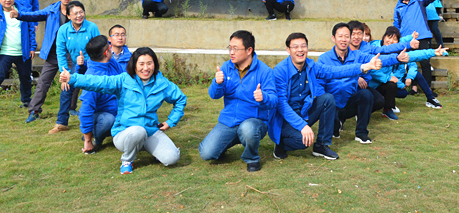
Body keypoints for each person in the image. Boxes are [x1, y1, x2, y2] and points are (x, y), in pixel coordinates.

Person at [59, 47, 187, 175]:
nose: (146, 68)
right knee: (138, 131)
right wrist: (73, 78)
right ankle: (127, 161)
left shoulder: (162, 83)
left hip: (150, 131)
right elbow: (98, 82)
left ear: (155, 64)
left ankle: (146, 147)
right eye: (141, 64)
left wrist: (171, 121)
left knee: (172, 158)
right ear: (134, 65)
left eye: (149, 63)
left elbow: (181, 99)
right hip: (125, 133)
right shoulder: (124, 80)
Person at [269, 32, 383, 161]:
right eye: (295, 47)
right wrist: (302, 126)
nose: (300, 50)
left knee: (327, 99)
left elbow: (335, 71)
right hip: (285, 118)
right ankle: (280, 144)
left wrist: (364, 67)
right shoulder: (280, 71)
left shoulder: (311, 66)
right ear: (288, 50)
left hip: (304, 111)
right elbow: (281, 105)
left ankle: (321, 146)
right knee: (302, 142)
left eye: (303, 46)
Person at [198, 30, 277, 172]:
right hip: (229, 121)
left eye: (235, 48)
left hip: (253, 122)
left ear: (249, 50)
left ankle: (252, 159)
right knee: (206, 153)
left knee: (247, 129)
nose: (231, 52)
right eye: (230, 48)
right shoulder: (226, 67)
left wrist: (263, 97)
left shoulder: (264, 71)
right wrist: (217, 83)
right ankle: (231, 140)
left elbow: (274, 100)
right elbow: (214, 95)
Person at [317, 23, 405, 142]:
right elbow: (319, 84)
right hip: (333, 104)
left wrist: (396, 58)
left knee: (366, 94)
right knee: (333, 128)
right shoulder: (324, 58)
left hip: (349, 102)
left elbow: (380, 59)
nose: (344, 40)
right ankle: (335, 123)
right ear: (333, 38)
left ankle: (361, 133)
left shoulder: (357, 55)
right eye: (340, 36)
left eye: (346, 36)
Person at [16, 0, 74, 123]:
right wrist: (19, 15)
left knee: (73, 80)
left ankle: (71, 108)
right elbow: (34, 15)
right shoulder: (52, 10)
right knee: (43, 82)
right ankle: (34, 110)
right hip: (53, 53)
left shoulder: (76, 11)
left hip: (70, 52)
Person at [368, 27, 449, 116]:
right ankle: (382, 104)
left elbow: (413, 56)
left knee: (403, 89)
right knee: (386, 91)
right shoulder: (375, 49)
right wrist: (400, 84)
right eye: (389, 37)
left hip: (391, 80)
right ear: (383, 37)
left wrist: (433, 52)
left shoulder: (397, 51)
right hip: (376, 82)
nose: (391, 41)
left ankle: (430, 99)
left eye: (394, 39)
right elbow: (376, 73)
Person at [46, 1, 100, 134]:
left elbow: (99, 48)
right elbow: (61, 52)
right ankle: (61, 122)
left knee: (94, 91)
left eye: (81, 12)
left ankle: (97, 122)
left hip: (92, 63)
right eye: (75, 13)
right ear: (68, 16)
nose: (79, 15)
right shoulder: (63, 30)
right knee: (66, 87)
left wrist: (87, 60)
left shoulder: (92, 27)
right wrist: (64, 72)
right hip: (76, 64)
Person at [394, 0, 459, 87]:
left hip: (422, 37)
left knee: (425, 63)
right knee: (410, 63)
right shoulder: (398, 7)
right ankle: (413, 88)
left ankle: (428, 89)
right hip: (407, 40)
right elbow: (396, 24)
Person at [79, 35, 124, 154]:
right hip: (102, 116)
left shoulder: (111, 62)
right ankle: (96, 140)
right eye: (109, 47)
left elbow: (124, 79)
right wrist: (88, 140)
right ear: (106, 52)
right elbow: (85, 110)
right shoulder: (92, 79)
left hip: (119, 110)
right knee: (107, 120)